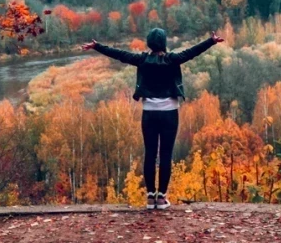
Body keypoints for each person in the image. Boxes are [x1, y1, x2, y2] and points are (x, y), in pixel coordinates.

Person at [83, 28, 223, 210]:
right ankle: (161, 198)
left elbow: (120, 55)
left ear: (149, 43)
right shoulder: (173, 60)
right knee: (165, 154)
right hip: (170, 113)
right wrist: (210, 41)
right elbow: (192, 52)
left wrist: (97, 46)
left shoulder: (142, 60)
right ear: (164, 43)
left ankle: (150, 198)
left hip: (149, 113)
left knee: (150, 153)